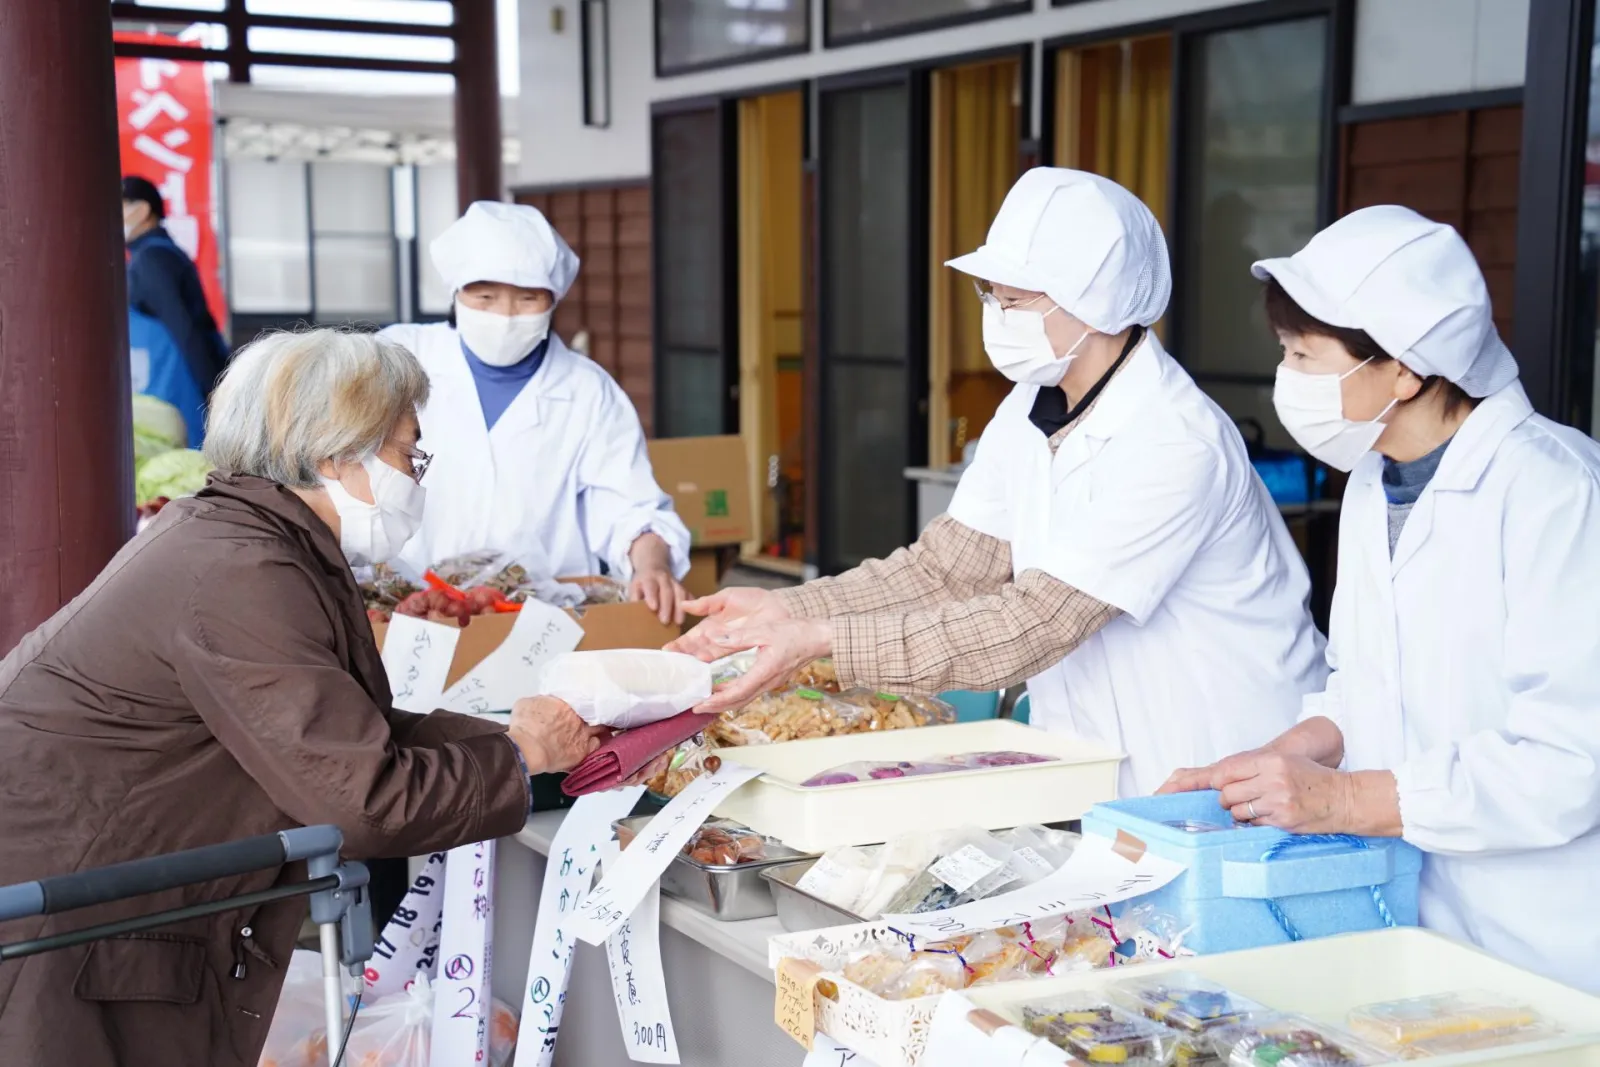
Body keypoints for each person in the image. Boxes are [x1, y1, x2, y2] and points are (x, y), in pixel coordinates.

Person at [0, 329, 612, 1065]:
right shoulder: (239, 573)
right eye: (408, 453)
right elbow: (366, 798)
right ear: (335, 456)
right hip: (66, 922)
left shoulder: (248, 538)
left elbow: (353, 730)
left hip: (99, 902)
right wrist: (521, 754)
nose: (416, 476)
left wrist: (519, 739)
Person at [674, 168, 1328, 796]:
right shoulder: (1029, 406)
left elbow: (1038, 620)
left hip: (1223, 755)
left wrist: (819, 642)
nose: (997, 314)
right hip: (1101, 762)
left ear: (1096, 302)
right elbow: (945, 570)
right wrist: (789, 609)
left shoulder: (1173, 439)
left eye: (1015, 300)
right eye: (991, 295)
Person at [1159, 206, 1600, 991]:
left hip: (1548, 937)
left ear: (1403, 369)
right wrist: (1282, 760)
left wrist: (1342, 799)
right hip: (1418, 916)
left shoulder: (1556, 490)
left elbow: (1571, 759)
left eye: (1305, 355)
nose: (1288, 377)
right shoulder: (1374, 482)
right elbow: (1367, 683)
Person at [379, 201, 691, 623]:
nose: (505, 316)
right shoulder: (398, 357)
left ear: (553, 300)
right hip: (412, 606)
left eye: (527, 299)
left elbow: (630, 506)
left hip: (544, 617)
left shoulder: (588, 390)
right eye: (485, 297)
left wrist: (652, 567)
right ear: (456, 293)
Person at [122, 174, 230, 446]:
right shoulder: (156, 254)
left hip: (179, 388)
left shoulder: (152, 259)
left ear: (142, 210)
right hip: (168, 385)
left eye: (119, 206)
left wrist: (214, 390)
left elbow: (185, 329)